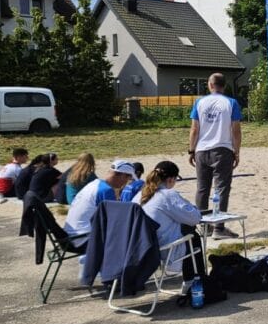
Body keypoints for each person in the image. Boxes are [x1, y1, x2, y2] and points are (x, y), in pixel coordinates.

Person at [189, 73, 241, 239]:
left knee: (202, 188)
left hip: (202, 150)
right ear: (224, 86)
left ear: (209, 85)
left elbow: (194, 129)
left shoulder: (200, 102)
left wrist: (191, 150)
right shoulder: (231, 103)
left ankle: (203, 227)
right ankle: (218, 228)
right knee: (222, 189)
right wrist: (236, 150)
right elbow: (235, 130)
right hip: (222, 149)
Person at [140, 160, 204, 294]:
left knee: (187, 232)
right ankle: (196, 281)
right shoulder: (168, 194)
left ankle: (193, 281)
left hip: (145, 246)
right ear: (170, 179)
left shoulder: (142, 194)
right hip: (165, 250)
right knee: (193, 236)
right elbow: (195, 218)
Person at [64, 160, 135, 237]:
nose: (127, 182)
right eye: (129, 178)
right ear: (123, 175)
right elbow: (115, 220)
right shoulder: (106, 190)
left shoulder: (94, 184)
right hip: (82, 238)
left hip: (71, 235)